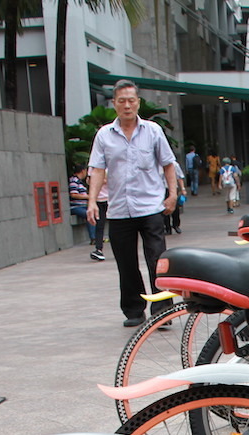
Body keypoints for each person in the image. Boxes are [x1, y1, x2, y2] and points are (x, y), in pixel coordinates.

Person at [86, 80, 178, 327]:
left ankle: (162, 310)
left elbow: (168, 163)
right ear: (114, 104)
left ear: (138, 102)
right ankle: (134, 311)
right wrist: (92, 201)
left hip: (150, 207)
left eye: (131, 100)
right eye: (121, 101)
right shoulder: (104, 135)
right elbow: (96, 170)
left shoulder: (153, 131)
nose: (127, 105)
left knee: (157, 260)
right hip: (118, 210)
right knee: (126, 263)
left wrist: (172, 194)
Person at [69, 164, 95, 243]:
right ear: (83, 171)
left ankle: (96, 236)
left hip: (83, 206)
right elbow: (73, 194)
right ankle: (93, 237)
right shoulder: (74, 181)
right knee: (89, 214)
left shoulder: (80, 182)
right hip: (76, 207)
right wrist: (87, 197)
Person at [90, 180, 108, 261]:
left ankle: (123, 249)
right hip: (98, 200)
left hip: (111, 199)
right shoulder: (92, 168)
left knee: (117, 225)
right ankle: (98, 250)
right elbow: (89, 181)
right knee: (99, 225)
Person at [166, 168, 186, 234]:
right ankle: (167, 227)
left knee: (175, 208)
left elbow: (179, 177)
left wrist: (183, 188)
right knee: (164, 209)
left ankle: (176, 225)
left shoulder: (174, 164)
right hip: (162, 189)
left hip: (173, 188)